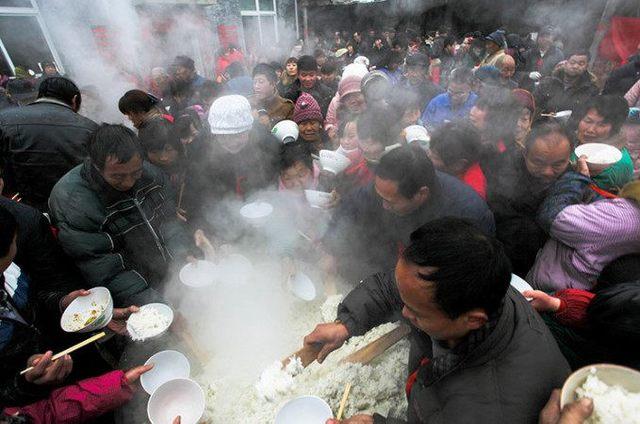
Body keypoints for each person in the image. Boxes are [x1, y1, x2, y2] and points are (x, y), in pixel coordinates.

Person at [311, 217, 569, 424]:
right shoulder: (477, 284)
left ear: (472, 320)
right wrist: (346, 324)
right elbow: (396, 287)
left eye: (415, 312)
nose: (404, 314)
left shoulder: (489, 410)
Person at [49, 124, 193, 306]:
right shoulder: (74, 202)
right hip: (130, 290)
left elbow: (169, 222)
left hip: (164, 275)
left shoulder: (152, 176)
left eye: (136, 172)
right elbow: (103, 267)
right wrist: (152, 304)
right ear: (96, 166)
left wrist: (183, 254)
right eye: (117, 177)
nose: (129, 182)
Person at [322, 144, 495, 284]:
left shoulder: (467, 215)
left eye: (390, 202)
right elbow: (351, 206)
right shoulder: (386, 188)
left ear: (421, 194)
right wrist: (331, 249)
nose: (383, 205)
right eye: (379, 195)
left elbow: (468, 276)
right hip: (395, 261)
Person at [528, 174, 640, 292]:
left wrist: (577, 177)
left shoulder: (625, 219)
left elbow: (551, 216)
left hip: (549, 290)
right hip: (574, 285)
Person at [487, 121, 572, 277]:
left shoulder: (573, 178)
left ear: (569, 157)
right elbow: (505, 225)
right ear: (525, 154)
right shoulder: (505, 170)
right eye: (538, 163)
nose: (547, 172)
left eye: (558, 164)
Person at [0, 77, 97, 211]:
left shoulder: (4, 120)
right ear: (74, 100)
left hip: (23, 210)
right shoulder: (90, 127)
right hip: (78, 207)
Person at [572, 95, 633, 193]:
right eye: (588, 121)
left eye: (602, 125)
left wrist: (580, 178)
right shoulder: (572, 142)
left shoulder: (616, 166)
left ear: (614, 129)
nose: (591, 130)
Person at [428, 121, 487, 200]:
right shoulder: (455, 167)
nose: (428, 157)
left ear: (459, 164)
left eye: (435, 157)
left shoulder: (470, 194)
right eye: (429, 151)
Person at [534, 50, 598, 114]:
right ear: (565, 63)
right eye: (572, 62)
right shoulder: (548, 82)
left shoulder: (590, 91)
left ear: (587, 66)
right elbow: (534, 105)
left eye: (581, 64)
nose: (575, 66)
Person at [249, 63, 294, 129]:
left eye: (261, 82)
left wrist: (267, 124)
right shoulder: (248, 103)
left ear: (273, 84)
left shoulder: (286, 107)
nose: (256, 86)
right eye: (254, 82)